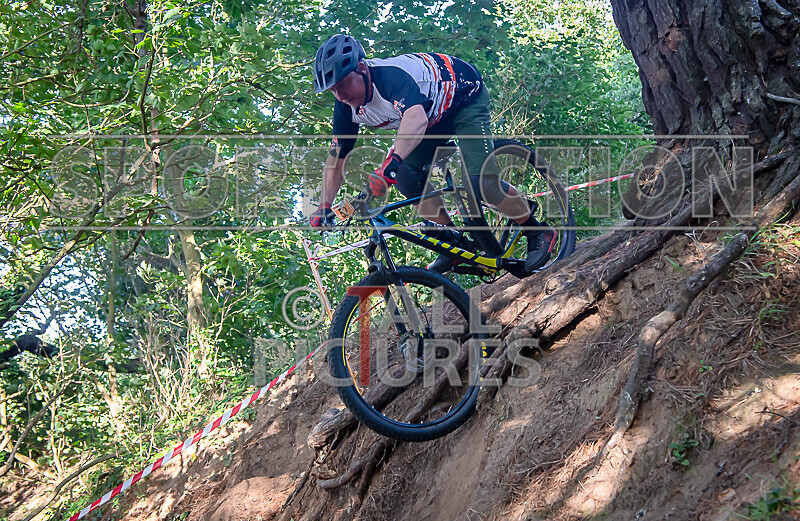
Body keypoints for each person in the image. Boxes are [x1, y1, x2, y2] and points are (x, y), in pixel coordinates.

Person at [308, 34, 556, 273]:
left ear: (361, 68)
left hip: (464, 100)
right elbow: (337, 157)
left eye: (342, 84)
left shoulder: (389, 77)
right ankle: (454, 243)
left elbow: (415, 116)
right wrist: (324, 205)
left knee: (479, 183)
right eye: (332, 89)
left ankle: (536, 230)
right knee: (407, 178)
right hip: (432, 118)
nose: (339, 94)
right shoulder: (346, 107)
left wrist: (391, 163)